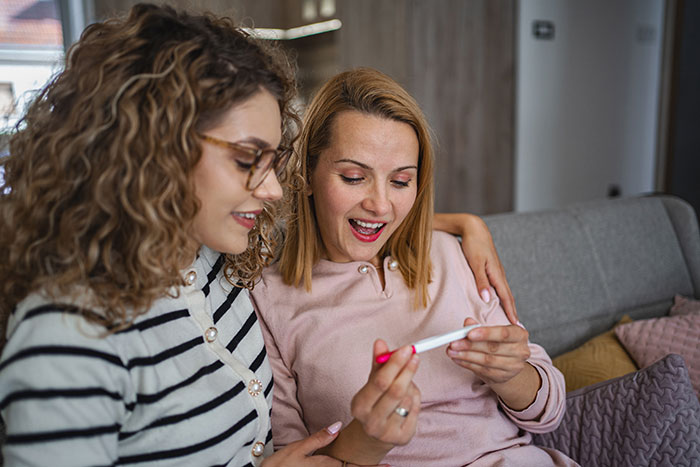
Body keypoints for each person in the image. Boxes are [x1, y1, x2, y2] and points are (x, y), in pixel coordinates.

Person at [0, 5, 516, 467]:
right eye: (248, 160)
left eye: (273, 162)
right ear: (152, 152)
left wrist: (460, 224)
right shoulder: (68, 338)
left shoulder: (221, 261)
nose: (272, 189)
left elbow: (352, 223)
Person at [250, 68, 579, 466]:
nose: (381, 205)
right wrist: (366, 439)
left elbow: (548, 412)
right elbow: (292, 456)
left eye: (401, 181)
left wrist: (509, 374)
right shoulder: (270, 301)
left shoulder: (452, 254)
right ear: (307, 175)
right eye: (354, 177)